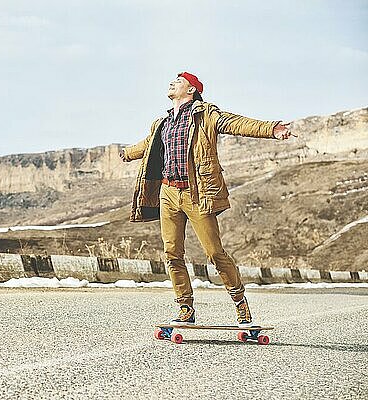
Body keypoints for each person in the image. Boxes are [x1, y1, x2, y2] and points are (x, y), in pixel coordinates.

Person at [119, 72, 294, 327]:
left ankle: (240, 303)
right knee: (172, 253)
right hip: (168, 193)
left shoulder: (206, 115)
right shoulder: (163, 123)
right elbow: (149, 143)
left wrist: (271, 128)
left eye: (178, 81)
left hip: (196, 193)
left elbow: (237, 123)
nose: (172, 83)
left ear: (191, 90)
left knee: (214, 253)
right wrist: (128, 153)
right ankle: (185, 308)